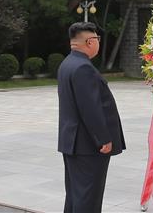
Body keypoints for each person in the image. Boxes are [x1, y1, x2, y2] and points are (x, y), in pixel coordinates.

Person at [57, 22, 125, 212]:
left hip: (73, 142)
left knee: (75, 196)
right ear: (89, 42)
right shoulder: (83, 68)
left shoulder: (67, 64)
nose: (98, 43)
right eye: (97, 39)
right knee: (88, 199)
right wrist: (103, 138)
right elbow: (90, 108)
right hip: (88, 145)